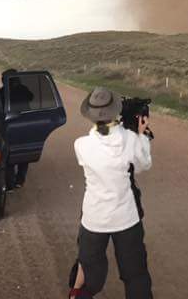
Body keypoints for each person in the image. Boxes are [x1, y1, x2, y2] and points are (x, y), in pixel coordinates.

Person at [69, 86, 153, 299]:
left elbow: (101, 143)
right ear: (116, 111)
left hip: (94, 218)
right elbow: (143, 165)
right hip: (126, 217)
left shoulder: (81, 145)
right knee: (135, 276)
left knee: (88, 273)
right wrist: (141, 135)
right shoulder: (130, 139)